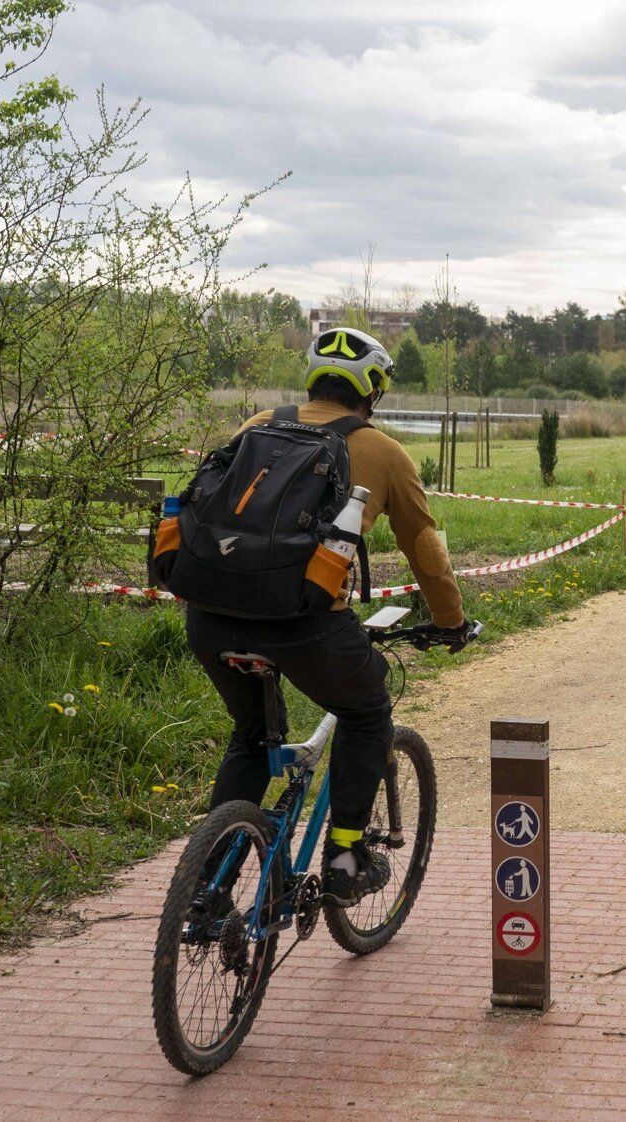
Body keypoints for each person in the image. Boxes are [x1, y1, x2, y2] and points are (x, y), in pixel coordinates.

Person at [185, 326, 476, 905]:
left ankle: (206, 886)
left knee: (250, 737)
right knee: (367, 711)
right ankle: (345, 855)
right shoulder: (385, 452)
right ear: (373, 390)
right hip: (304, 626)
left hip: (211, 616)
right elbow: (425, 548)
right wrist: (450, 621)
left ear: (313, 378)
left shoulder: (257, 425)